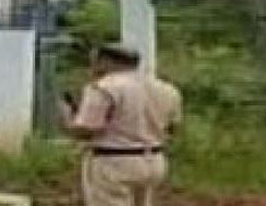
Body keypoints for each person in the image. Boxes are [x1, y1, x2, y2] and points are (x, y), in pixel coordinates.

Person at [61, 44, 182, 206]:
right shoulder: (166, 89)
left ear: (105, 61)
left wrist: (68, 117)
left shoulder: (104, 87)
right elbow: (172, 127)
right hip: (154, 159)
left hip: (113, 160)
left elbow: (87, 129)